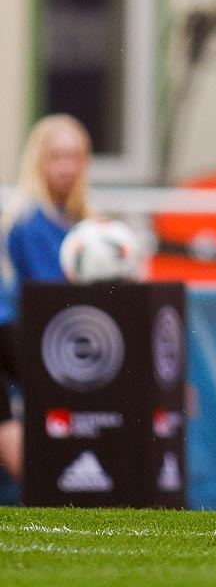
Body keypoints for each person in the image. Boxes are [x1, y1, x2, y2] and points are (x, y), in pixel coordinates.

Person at [0, 115, 94, 483]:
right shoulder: (29, 222)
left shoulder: (82, 221)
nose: (66, 167)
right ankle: (47, 490)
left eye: (75, 156)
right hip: (19, 330)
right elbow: (52, 293)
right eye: (57, 156)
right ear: (38, 161)